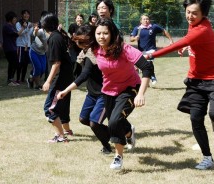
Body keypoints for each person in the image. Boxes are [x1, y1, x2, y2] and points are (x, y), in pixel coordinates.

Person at [145, 0, 214, 170]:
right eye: (188, 12)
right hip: (196, 81)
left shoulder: (203, 29)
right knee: (195, 118)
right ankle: (208, 158)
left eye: (194, 13)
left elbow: (178, 43)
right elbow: (189, 40)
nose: (190, 16)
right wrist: (187, 45)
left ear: (203, 15)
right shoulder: (194, 25)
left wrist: (152, 54)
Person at [78, 18, 153, 170]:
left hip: (129, 88)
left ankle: (118, 156)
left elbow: (146, 67)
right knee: (116, 121)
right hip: (108, 91)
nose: (101, 37)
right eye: (98, 33)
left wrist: (141, 94)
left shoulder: (124, 49)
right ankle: (128, 131)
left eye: (105, 33)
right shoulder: (95, 49)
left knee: (114, 122)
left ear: (112, 33)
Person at [57, 24, 111, 153]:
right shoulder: (85, 51)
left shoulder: (93, 54)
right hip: (92, 93)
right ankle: (119, 131)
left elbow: (83, 75)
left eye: (79, 41)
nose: (77, 43)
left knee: (95, 123)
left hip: (105, 93)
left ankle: (107, 146)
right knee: (84, 119)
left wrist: (66, 90)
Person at [42, 14, 74, 143]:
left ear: (45, 25)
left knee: (50, 108)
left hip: (60, 78)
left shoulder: (54, 38)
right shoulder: (59, 35)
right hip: (67, 76)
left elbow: (56, 63)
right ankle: (67, 131)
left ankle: (60, 136)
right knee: (63, 106)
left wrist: (48, 81)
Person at [130, 13, 174, 86]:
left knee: (148, 61)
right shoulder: (137, 28)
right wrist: (135, 38)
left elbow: (164, 31)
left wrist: (171, 40)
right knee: (143, 66)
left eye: (147, 19)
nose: (146, 20)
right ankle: (146, 81)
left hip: (152, 49)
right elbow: (131, 38)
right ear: (141, 21)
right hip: (141, 51)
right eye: (144, 19)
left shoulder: (153, 27)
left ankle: (152, 76)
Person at [27, 11, 50, 90]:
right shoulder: (41, 31)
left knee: (43, 70)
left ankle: (30, 80)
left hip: (42, 53)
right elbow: (34, 34)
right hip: (34, 51)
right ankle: (38, 85)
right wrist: (35, 30)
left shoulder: (51, 32)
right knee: (38, 68)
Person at [2, 11, 19, 86]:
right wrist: (23, 27)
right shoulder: (7, 26)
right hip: (9, 48)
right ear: (10, 19)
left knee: (14, 63)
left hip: (13, 48)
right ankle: (10, 80)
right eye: (14, 18)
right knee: (13, 63)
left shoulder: (11, 26)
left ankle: (11, 79)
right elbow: (16, 34)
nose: (15, 20)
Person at [16, 9, 32, 84]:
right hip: (20, 45)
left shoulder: (29, 24)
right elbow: (20, 33)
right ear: (22, 15)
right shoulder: (18, 24)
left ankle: (22, 79)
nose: (26, 15)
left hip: (28, 45)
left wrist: (34, 29)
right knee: (20, 63)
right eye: (24, 14)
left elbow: (31, 34)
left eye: (28, 14)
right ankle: (18, 79)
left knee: (25, 63)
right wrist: (27, 28)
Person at [68, 14, 84, 78]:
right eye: (78, 18)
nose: (79, 19)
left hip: (81, 46)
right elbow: (69, 34)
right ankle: (70, 75)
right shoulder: (72, 25)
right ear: (75, 19)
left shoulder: (84, 27)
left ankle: (78, 75)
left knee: (79, 61)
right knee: (73, 60)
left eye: (81, 18)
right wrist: (73, 38)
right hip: (73, 46)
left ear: (82, 19)